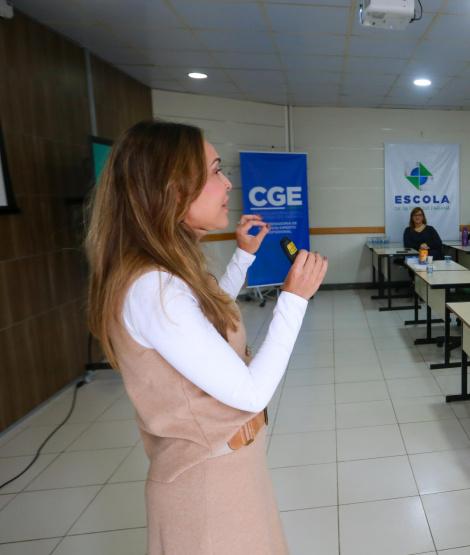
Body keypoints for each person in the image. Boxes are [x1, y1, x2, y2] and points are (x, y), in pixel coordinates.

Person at [85, 121, 328, 554]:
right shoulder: (153, 286)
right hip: (208, 488)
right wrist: (293, 300)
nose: (228, 183)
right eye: (215, 172)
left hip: (227, 468)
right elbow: (250, 392)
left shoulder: (161, 273)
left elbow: (201, 319)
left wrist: (243, 257)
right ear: (173, 190)